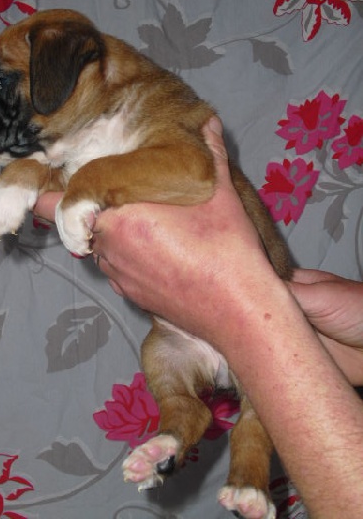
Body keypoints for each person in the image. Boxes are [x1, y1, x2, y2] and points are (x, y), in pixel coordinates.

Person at [34, 116, 363, 518]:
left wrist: (239, 305)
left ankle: (249, 472)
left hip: (249, 312)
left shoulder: (161, 138)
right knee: (161, 356)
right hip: (180, 334)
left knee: (257, 413)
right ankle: (180, 422)